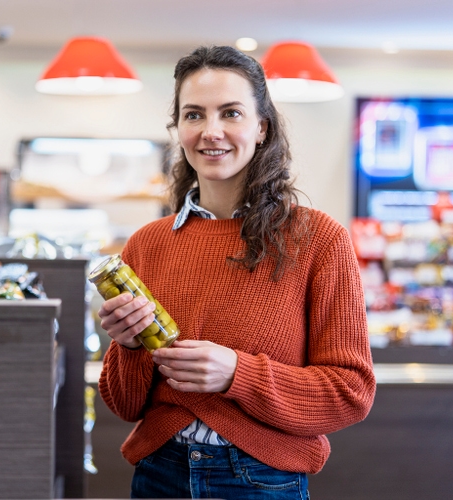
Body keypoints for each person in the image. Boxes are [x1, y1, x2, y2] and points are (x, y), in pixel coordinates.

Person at [97, 45, 375, 499]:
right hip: (159, 473)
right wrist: (127, 345)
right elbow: (126, 406)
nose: (211, 132)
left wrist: (237, 375)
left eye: (230, 113)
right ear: (178, 130)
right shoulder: (146, 244)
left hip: (262, 480)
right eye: (193, 115)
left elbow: (349, 392)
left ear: (261, 127)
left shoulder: (319, 239)